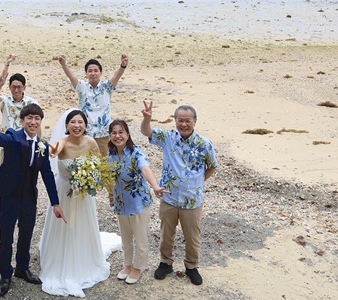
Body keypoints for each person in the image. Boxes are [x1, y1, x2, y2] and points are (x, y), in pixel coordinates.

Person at [0, 103, 66, 297]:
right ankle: (5, 275)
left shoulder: (43, 146)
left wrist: (55, 203)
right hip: (10, 196)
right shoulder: (15, 136)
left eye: (37, 118)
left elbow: (47, 174)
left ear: (40, 122)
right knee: (6, 236)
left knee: (26, 234)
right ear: (22, 121)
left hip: (29, 196)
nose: (33, 121)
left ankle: (22, 267)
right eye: (29, 118)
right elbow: (3, 139)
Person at [141, 101, 218, 286]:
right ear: (175, 121)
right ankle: (165, 263)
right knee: (166, 232)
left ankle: (192, 267)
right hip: (169, 196)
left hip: (192, 200)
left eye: (187, 120)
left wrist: (197, 183)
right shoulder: (168, 137)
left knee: (192, 235)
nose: (183, 124)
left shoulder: (204, 143)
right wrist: (147, 119)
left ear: (195, 121)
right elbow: (147, 132)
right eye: (180, 120)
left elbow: (212, 167)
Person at [38, 109, 113, 297]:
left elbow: (100, 165)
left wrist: (91, 179)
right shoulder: (63, 142)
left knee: (81, 224)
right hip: (65, 192)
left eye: (80, 122)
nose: (76, 126)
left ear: (85, 125)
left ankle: (83, 259)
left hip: (84, 194)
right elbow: (57, 147)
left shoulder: (91, 142)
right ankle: (60, 259)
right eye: (72, 122)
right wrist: (54, 150)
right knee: (64, 226)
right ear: (66, 125)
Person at [107, 120, 165, 284]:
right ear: (110, 135)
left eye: (121, 132)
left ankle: (138, 267)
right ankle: (127, 264)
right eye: (114, 133)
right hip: (121, 203)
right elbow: (107, 176)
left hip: (138, 203)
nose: (117, 136)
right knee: (125, 238)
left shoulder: (136, 153)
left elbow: (145, 169)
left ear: (127, 134)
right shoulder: (110, 155)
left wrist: (155, 186)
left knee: (140, 239)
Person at [56, 54, 128, 156]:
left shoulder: (107, 87)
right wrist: (63, 64)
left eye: (95, 71)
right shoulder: (81, 87)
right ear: (86, 73)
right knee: (85, 163)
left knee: (103, 162)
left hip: (103, 133)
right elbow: (71, 76)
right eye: (90, 71)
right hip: (85, 133)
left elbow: (117, 76)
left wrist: (123, 65)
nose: (93, 73)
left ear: (100, 73)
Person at [0, 54, 37, 209]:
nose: (16, 89)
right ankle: (7, 197)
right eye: (13, 87)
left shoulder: (31, 103)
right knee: (7, 167)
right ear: (10, 87)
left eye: (19, 87)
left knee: (27, 169)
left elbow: (37, 124)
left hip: (27, 139)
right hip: (8, 140)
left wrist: (39, 142)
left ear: (24, 87)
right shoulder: (5, 101)